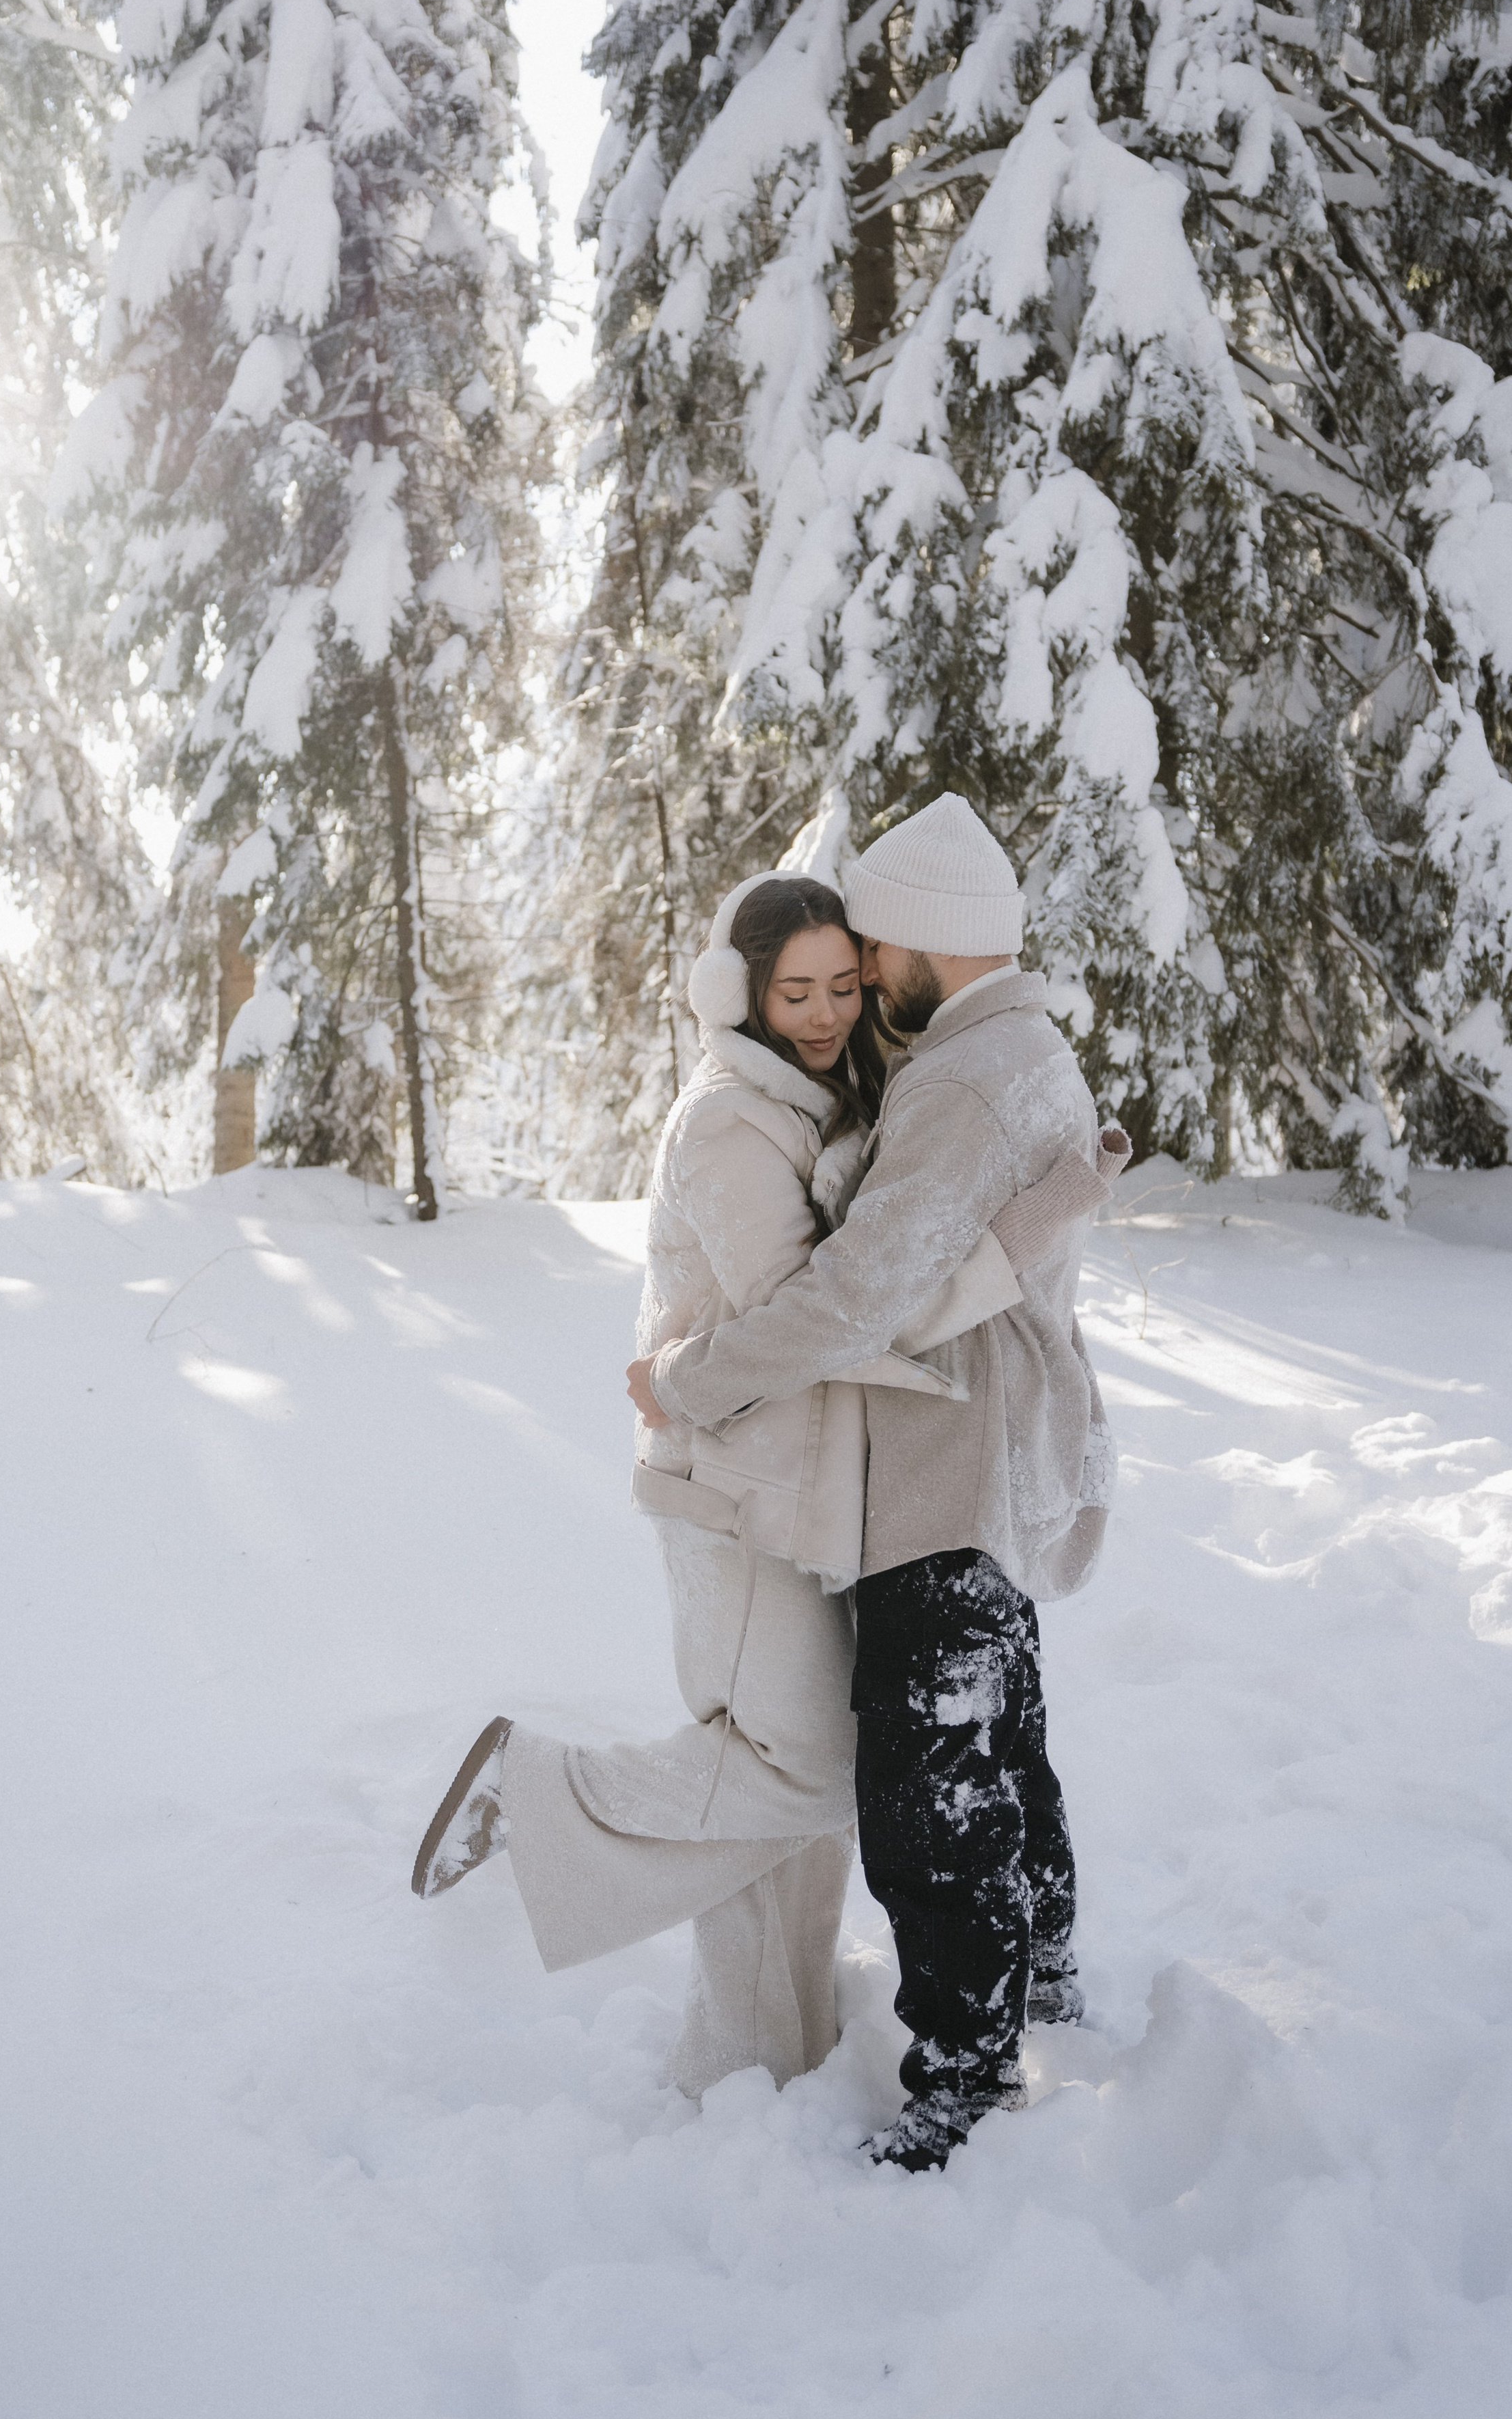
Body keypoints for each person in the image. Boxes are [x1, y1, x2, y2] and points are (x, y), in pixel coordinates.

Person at [411, 869, 1106, 2101]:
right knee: (810, 1771)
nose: (828, 1012)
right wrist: (1005, 1243)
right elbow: (816, 1312)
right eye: (797, 992)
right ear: (739, 996)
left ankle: (758, 2060)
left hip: (805, 1494)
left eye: (843, 986)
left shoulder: (829, 1101)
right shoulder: (732, 1122)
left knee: (789, 1785)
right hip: (732, 1495)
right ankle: (538, 1796)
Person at [626, 796, 1128, 2172]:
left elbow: (856, 1294)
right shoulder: (1012, 1048)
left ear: (925, 946)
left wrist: (689, 1379)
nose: (856, 988)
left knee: (928, 1793)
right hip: (988, 1460)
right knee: (1001, 1742)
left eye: (871, 958)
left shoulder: (960, 1079)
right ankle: (1045, 1974)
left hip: (947, 1467)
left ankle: (962, 2080)